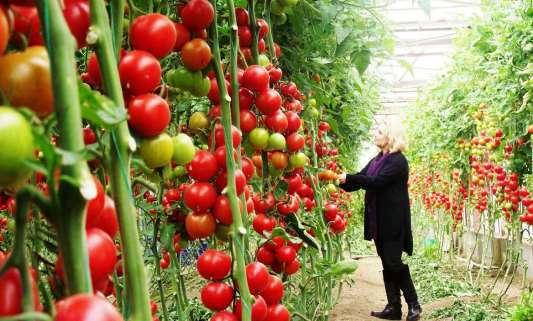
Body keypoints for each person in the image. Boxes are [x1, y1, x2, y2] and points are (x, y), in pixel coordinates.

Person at [338, 119, 421, 321]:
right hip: (379, 221)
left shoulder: (398, 161)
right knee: (386, 262)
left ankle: (414, 304)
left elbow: (376, 182)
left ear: (390, 137)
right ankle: (394, 307)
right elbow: (360, 177)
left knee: (393, 262)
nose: (375, 134)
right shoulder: (377, 160)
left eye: (379, 131)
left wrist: (348, 177)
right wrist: (339, 181)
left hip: (393, 222)